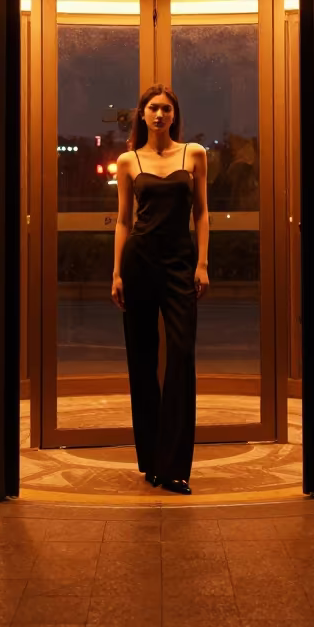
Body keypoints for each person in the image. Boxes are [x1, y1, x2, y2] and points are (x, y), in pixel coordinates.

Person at [111, 84, 209, 495]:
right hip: (139, 263)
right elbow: (123, 220)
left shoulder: (194, 154)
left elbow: (201, 213)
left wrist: (202, 264)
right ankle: (151, 461)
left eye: (166, 109)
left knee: (181, 357)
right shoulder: (128, 160)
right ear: (142, 113)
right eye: (153, 108)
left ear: (174, 115)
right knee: (142, 360)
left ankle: (175, 467)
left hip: (180, 264)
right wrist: (117, 272)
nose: (159, 114)